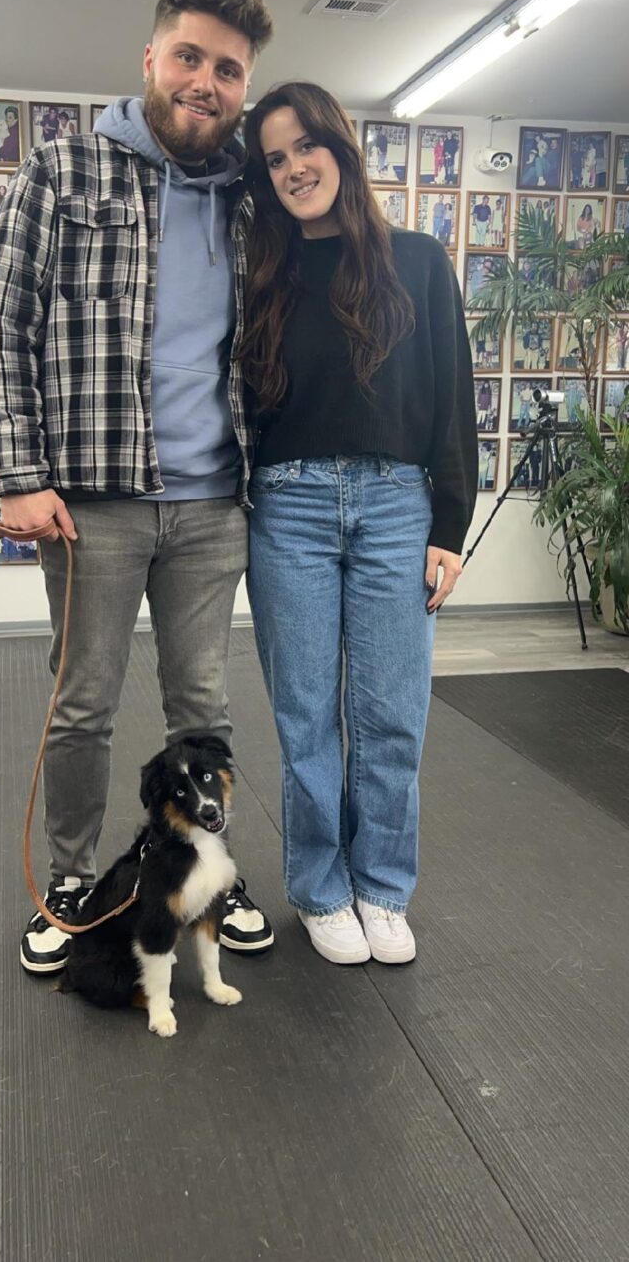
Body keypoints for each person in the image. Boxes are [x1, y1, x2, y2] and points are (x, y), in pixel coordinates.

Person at [0, 0, 276, 975]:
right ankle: (70, 878)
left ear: (244, 85)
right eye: (189, 57)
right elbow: (2, 328)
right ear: (151, 58)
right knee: (85, 703)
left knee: (205, 703)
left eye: (227, 69)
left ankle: (206, 871)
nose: (206, 81)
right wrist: (19, 475)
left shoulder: (251, 198)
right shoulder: (61, 172)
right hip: (88, 506)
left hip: (211, 501)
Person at [239, 82, 477, 965]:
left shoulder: (417, 260)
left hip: (396, 504)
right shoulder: (260, 272)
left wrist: (449, 524)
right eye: (275, 157)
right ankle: (319, 887)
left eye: (307, 145)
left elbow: (453, 398)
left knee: (392, 714)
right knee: (306, 715)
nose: (296, 166)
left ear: (340, 147)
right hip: (288, 507)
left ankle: (382, 885)